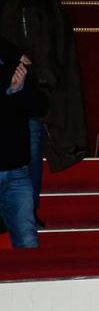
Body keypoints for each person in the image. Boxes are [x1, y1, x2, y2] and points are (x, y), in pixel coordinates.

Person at [0, 0, 88, 219]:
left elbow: (51, 36)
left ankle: (28, 211)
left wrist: (33, 70)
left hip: (30, 85)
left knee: (31, 150)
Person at [0, 38, 44, 248]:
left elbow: (39, 108)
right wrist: (9, 92)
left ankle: (34, 280)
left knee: (27, 240)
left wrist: (21, 89)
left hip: (17, 170)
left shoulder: (14, 62)